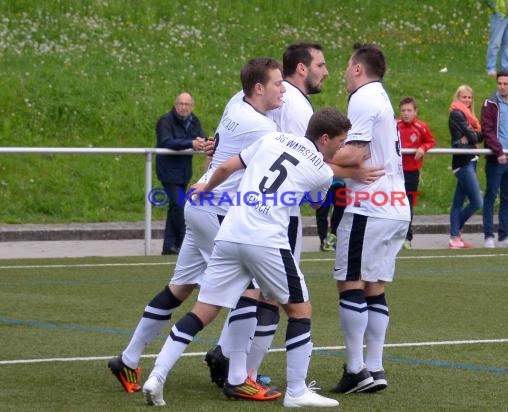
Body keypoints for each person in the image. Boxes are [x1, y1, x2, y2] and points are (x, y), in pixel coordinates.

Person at [141, 108, 351, 408]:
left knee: (203, 310)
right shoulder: (321, 169)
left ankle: (157, 377)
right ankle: (296, 391)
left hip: (229, 232)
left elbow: (226, 166)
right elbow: (318, 200)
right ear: (325, 138)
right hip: (266, 240)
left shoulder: (272, 138)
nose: (341, 148)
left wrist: (205, 188)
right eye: (340, 142)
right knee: (300, 310)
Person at [107, 57, 284, 394]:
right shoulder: (263, 129)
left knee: (180, 287)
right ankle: (237, 377)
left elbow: (219, 151)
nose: (283, 90)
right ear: (259, 88)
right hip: (216, 211)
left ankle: (128, 359)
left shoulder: (236, 100)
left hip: (199, 205)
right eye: (277, 84)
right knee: (249, 290)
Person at [204, 42, 330, 388]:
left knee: (249, 289)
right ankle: (239, 367)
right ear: (301, 68)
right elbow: (316, 160)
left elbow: (229, 139)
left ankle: (232, 359)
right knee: (272, 295)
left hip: (245, 207)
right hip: (276, 212)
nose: (326, 71)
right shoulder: (297, 107)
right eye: (320, 64)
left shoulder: (255, 96)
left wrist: (210, 156)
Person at [327, 43, 410, 394]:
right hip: (395, 204)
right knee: (374, 286)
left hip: (369, 206)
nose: (345, 73)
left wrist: (311, 155)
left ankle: (355, 370)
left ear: (358, 69)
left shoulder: (362, 97)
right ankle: (374, 368)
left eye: (348, 66)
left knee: (350, 282)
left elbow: (357, 150)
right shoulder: (382, 97)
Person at [156, 92, 207, 255]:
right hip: (168, 171)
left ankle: (169, 246)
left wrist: (204, 142)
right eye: (181, 104)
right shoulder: (165, 121)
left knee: (174, 207)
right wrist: (190, 143)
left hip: (183, 171)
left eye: (187, 104)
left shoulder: (194, 121)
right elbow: (166, 141)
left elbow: (200, 137)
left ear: (192, 106)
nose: (184, 107)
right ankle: (183, 242)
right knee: (179, 206)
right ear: (175, 104)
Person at [482, 70, 508, 248]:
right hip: (496, 158)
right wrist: (498, 152)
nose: (502, 86)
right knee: (491, 196)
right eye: (500, 83)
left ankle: (504, 235)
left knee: (507, 198)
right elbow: (488, 129)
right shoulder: (490, 103)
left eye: (506, 83)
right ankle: (488, 236)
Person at [397, 96, 436, 250]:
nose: (406, 113)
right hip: (395, 172)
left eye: (409, 110)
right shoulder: (395, 126)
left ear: (415, 111)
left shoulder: (421, 127)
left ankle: (407, 237)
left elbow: (431, 141)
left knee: (408, 205)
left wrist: (422, 148)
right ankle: (394, 236)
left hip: (412, 172)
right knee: (393, 203)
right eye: (403, 110)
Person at [448, 85, 483, 249]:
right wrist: (472, 136)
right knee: (477, 201)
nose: (467, 100)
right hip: (463, 162)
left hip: (471, 160)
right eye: (464, 97)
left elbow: (479, 136)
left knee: (458, 202)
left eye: (469, 98)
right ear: (458, 98)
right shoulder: (456, 113)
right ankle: (455, 232)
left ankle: (455, 236)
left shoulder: (470, 116)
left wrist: (472, 136)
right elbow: (474, 136)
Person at [485, 0, 508, 76]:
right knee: (495, 42)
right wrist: (496, 9)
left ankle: (506, 68)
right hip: (500, 14)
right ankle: (491, 68)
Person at [315, 178, 346, 251]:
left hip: (339, 184)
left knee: (339, 213)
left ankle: (333, 238)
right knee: (322, 213)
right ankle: (323, 241)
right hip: (322, 183)